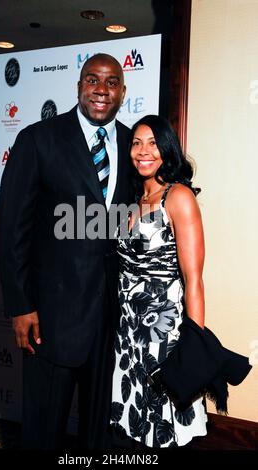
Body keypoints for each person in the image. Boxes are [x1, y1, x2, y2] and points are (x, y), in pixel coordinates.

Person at [0, 53, 131, 450]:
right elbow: (12, 230)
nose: (101, 90)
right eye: (93, 79)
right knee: (43, 430)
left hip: (110, 322)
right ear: (79, 87)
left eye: (111, 82)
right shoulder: (38, 139)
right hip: (51, 319)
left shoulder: (134, 144)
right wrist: (21, 306)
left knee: (97, 434)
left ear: (123, 92)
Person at [110, 115, 208, 448]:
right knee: (133, 427)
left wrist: (194, 347)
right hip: (127, 334)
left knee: (164, 428)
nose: (143, 151)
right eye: (136, 143)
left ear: (166, 149)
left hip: (164, 333)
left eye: (152, 142)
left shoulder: (177, 197)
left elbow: (193, 279)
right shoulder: (131, 202)